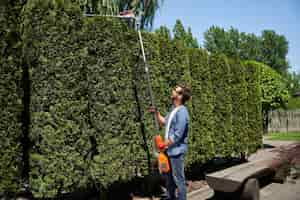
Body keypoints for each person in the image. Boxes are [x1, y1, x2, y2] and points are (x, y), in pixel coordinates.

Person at [150, 84, 191, 200]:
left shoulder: (182, 112)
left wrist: (164, 143)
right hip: (169, 150)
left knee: (178, 179)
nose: (172, 91)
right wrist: (157, 113)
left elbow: (178, 134)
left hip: (176, 152)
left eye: (175, 90)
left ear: (180, 96)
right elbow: (163, 122)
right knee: (169, 179)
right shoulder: (174, 110)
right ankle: (170, 197)